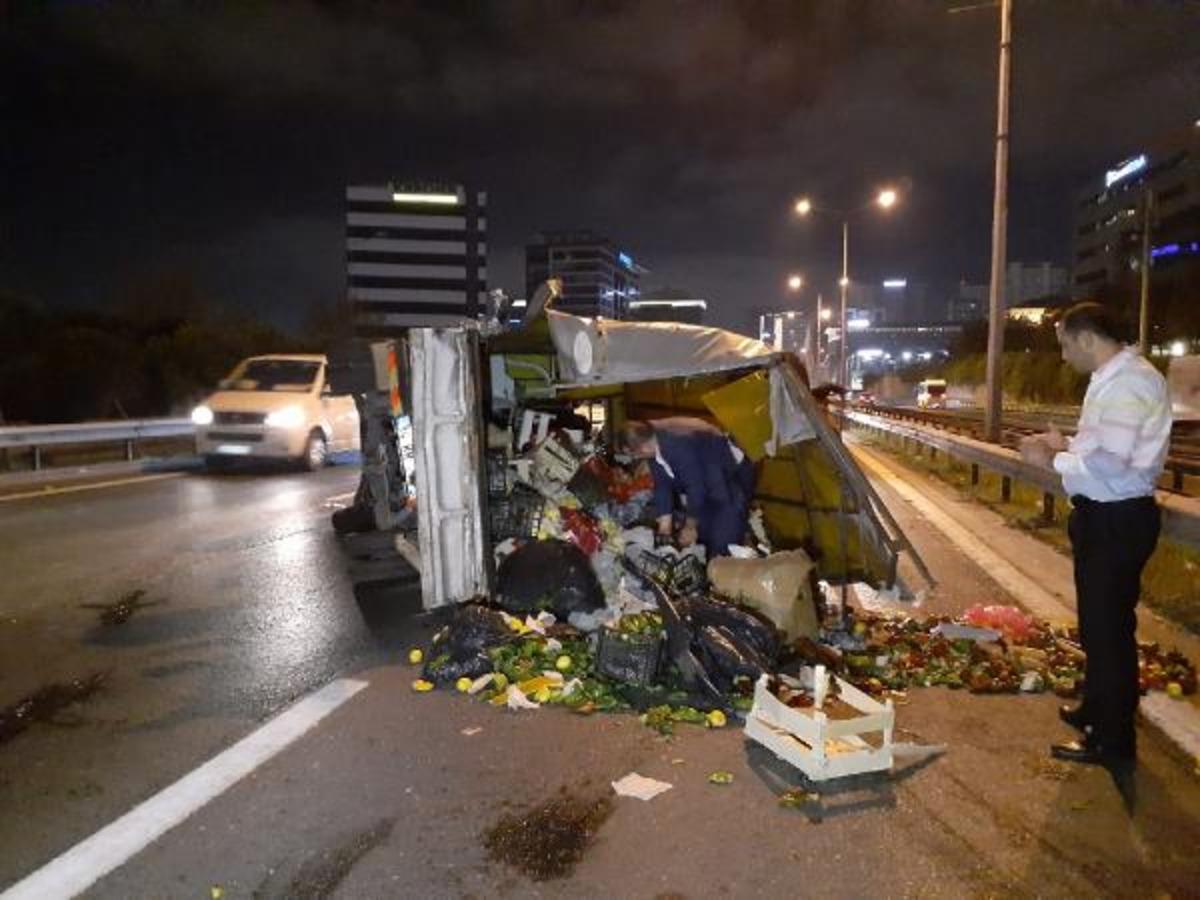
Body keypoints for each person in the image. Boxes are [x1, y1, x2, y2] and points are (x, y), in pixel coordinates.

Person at [1019, 302, 1171, 769]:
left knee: (1109, 634)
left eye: (1065, 344)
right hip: (1104, 515)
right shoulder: (1112, 379)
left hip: (1116, 519)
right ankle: (1096, 711)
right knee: (1098, 628)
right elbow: (1102, 447)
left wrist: (1052, 461)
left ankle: (1112, 740)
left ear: (1087, 338)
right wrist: (1064, 444)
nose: (1063, 355)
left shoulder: (1129, 383)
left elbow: (1113, 462)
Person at [619, 417, 755, 557]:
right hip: (707, 490)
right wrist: (665, 527)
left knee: (722, 545)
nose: (635, 458)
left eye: (633, 454)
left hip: (727, 485)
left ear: (643, 448)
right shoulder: (654, 452)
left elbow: (696, 488)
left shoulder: (676, 446)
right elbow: (662, 486)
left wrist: (690, 526)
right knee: (704, 539)